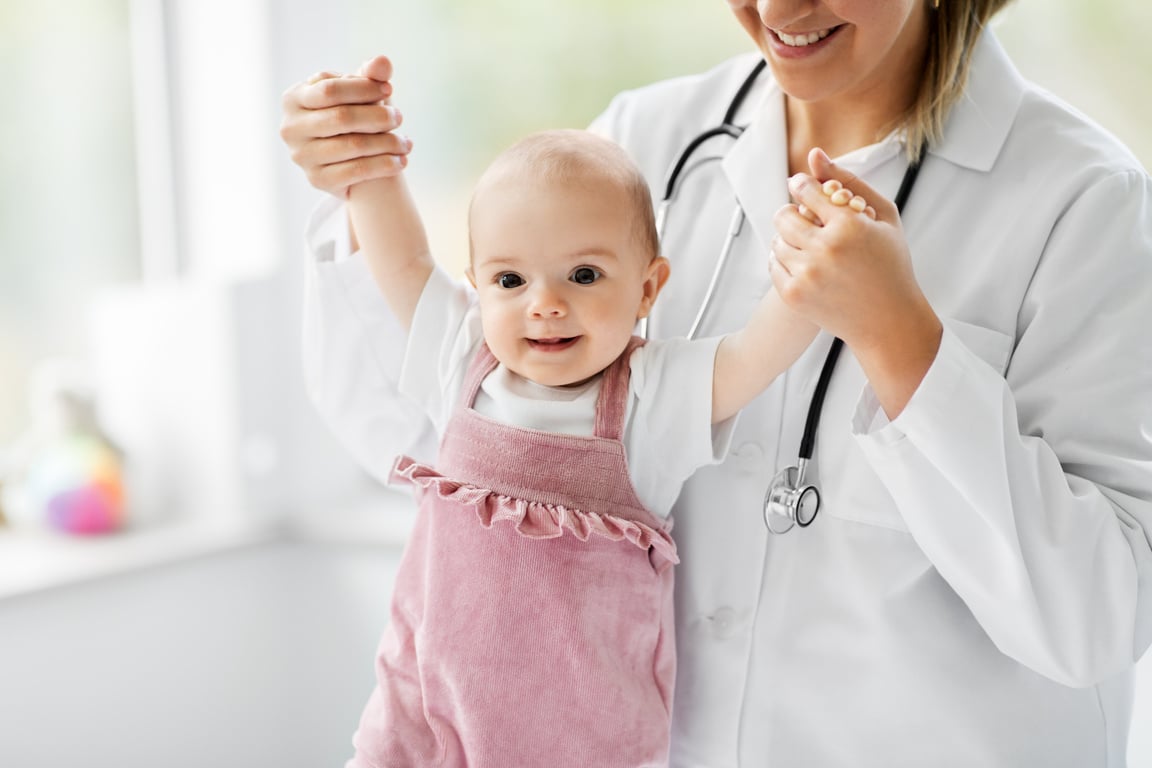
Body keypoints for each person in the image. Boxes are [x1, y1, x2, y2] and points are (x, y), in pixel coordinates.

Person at [280, 1, 1152, 765]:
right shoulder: (640, 143)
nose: (777, 4)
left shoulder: (1085, 199)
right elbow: (430, 434)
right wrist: (358, 178)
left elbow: (1094, 623)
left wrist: (902, 342)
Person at [334, 72, 847, 763]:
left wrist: (817, 263)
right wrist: (368, 156)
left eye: (583, 276)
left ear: (647, 288)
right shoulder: (462, 357)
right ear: (478, 285)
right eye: (510, 281)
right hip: (427, 720)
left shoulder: (650, 397)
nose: (544, 303)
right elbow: (398, 259)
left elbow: (755, 356)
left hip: (581, 742)